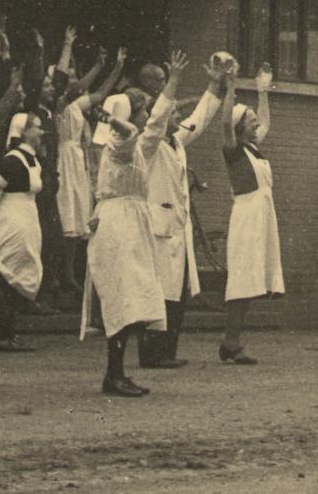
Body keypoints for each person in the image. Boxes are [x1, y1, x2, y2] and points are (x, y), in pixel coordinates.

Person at [85, 53, 190, 396]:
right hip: (118, 224)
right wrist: (114, 120)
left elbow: (156, 123)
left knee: (136, 296)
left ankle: (115, 372)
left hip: (131, 223)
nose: (147, 115)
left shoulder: (140, 146)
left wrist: (172, 83)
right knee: (123, 296)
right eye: (141, 110)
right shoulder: (121, 145)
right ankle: (112, 374)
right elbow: (131, 132)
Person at [139, 58, 222, 369]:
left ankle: (167, 352)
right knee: (158, 292)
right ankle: (151, 353)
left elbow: (199, 118)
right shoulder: (146, 144)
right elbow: (158, 116)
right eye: (172, 113)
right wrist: (172, 81)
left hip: (177, 228)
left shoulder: (176, 141)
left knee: (177, 292)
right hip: (158, 229)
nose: (177, 116)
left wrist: (214, 85)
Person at [217, 63, 283, 365]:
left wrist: (262, 91)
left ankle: (233, 341)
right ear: (239, 125)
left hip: (262, 215)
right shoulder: (233, 150)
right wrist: (230, 88)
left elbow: (267, 122)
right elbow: (223, 125)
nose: (256, 122)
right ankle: (230, 341)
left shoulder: (254, 148)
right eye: (251, 119)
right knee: (243, 279)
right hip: (246, 216)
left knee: (253, 280)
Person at [52, 36, 121, 307]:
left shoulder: (77, 107)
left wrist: (114, 67)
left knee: (76, 219)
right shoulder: (61, 105)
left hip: (77, 162)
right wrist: (71, 49)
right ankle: (58, 274)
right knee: (64, 216)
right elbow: (78, 86)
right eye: (68, 79)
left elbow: (100, 94)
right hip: (63, 160)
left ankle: (68, 273)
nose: (73, 83)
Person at [0, 111, 47, 353]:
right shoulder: (12, 160)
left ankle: (7, 331)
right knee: (9, 273)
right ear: (24, 131)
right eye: (37, 127)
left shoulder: (32, 159)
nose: (41, 132)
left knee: (22, 271)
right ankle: (0, 334)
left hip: (26, 218)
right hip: (13, 221)